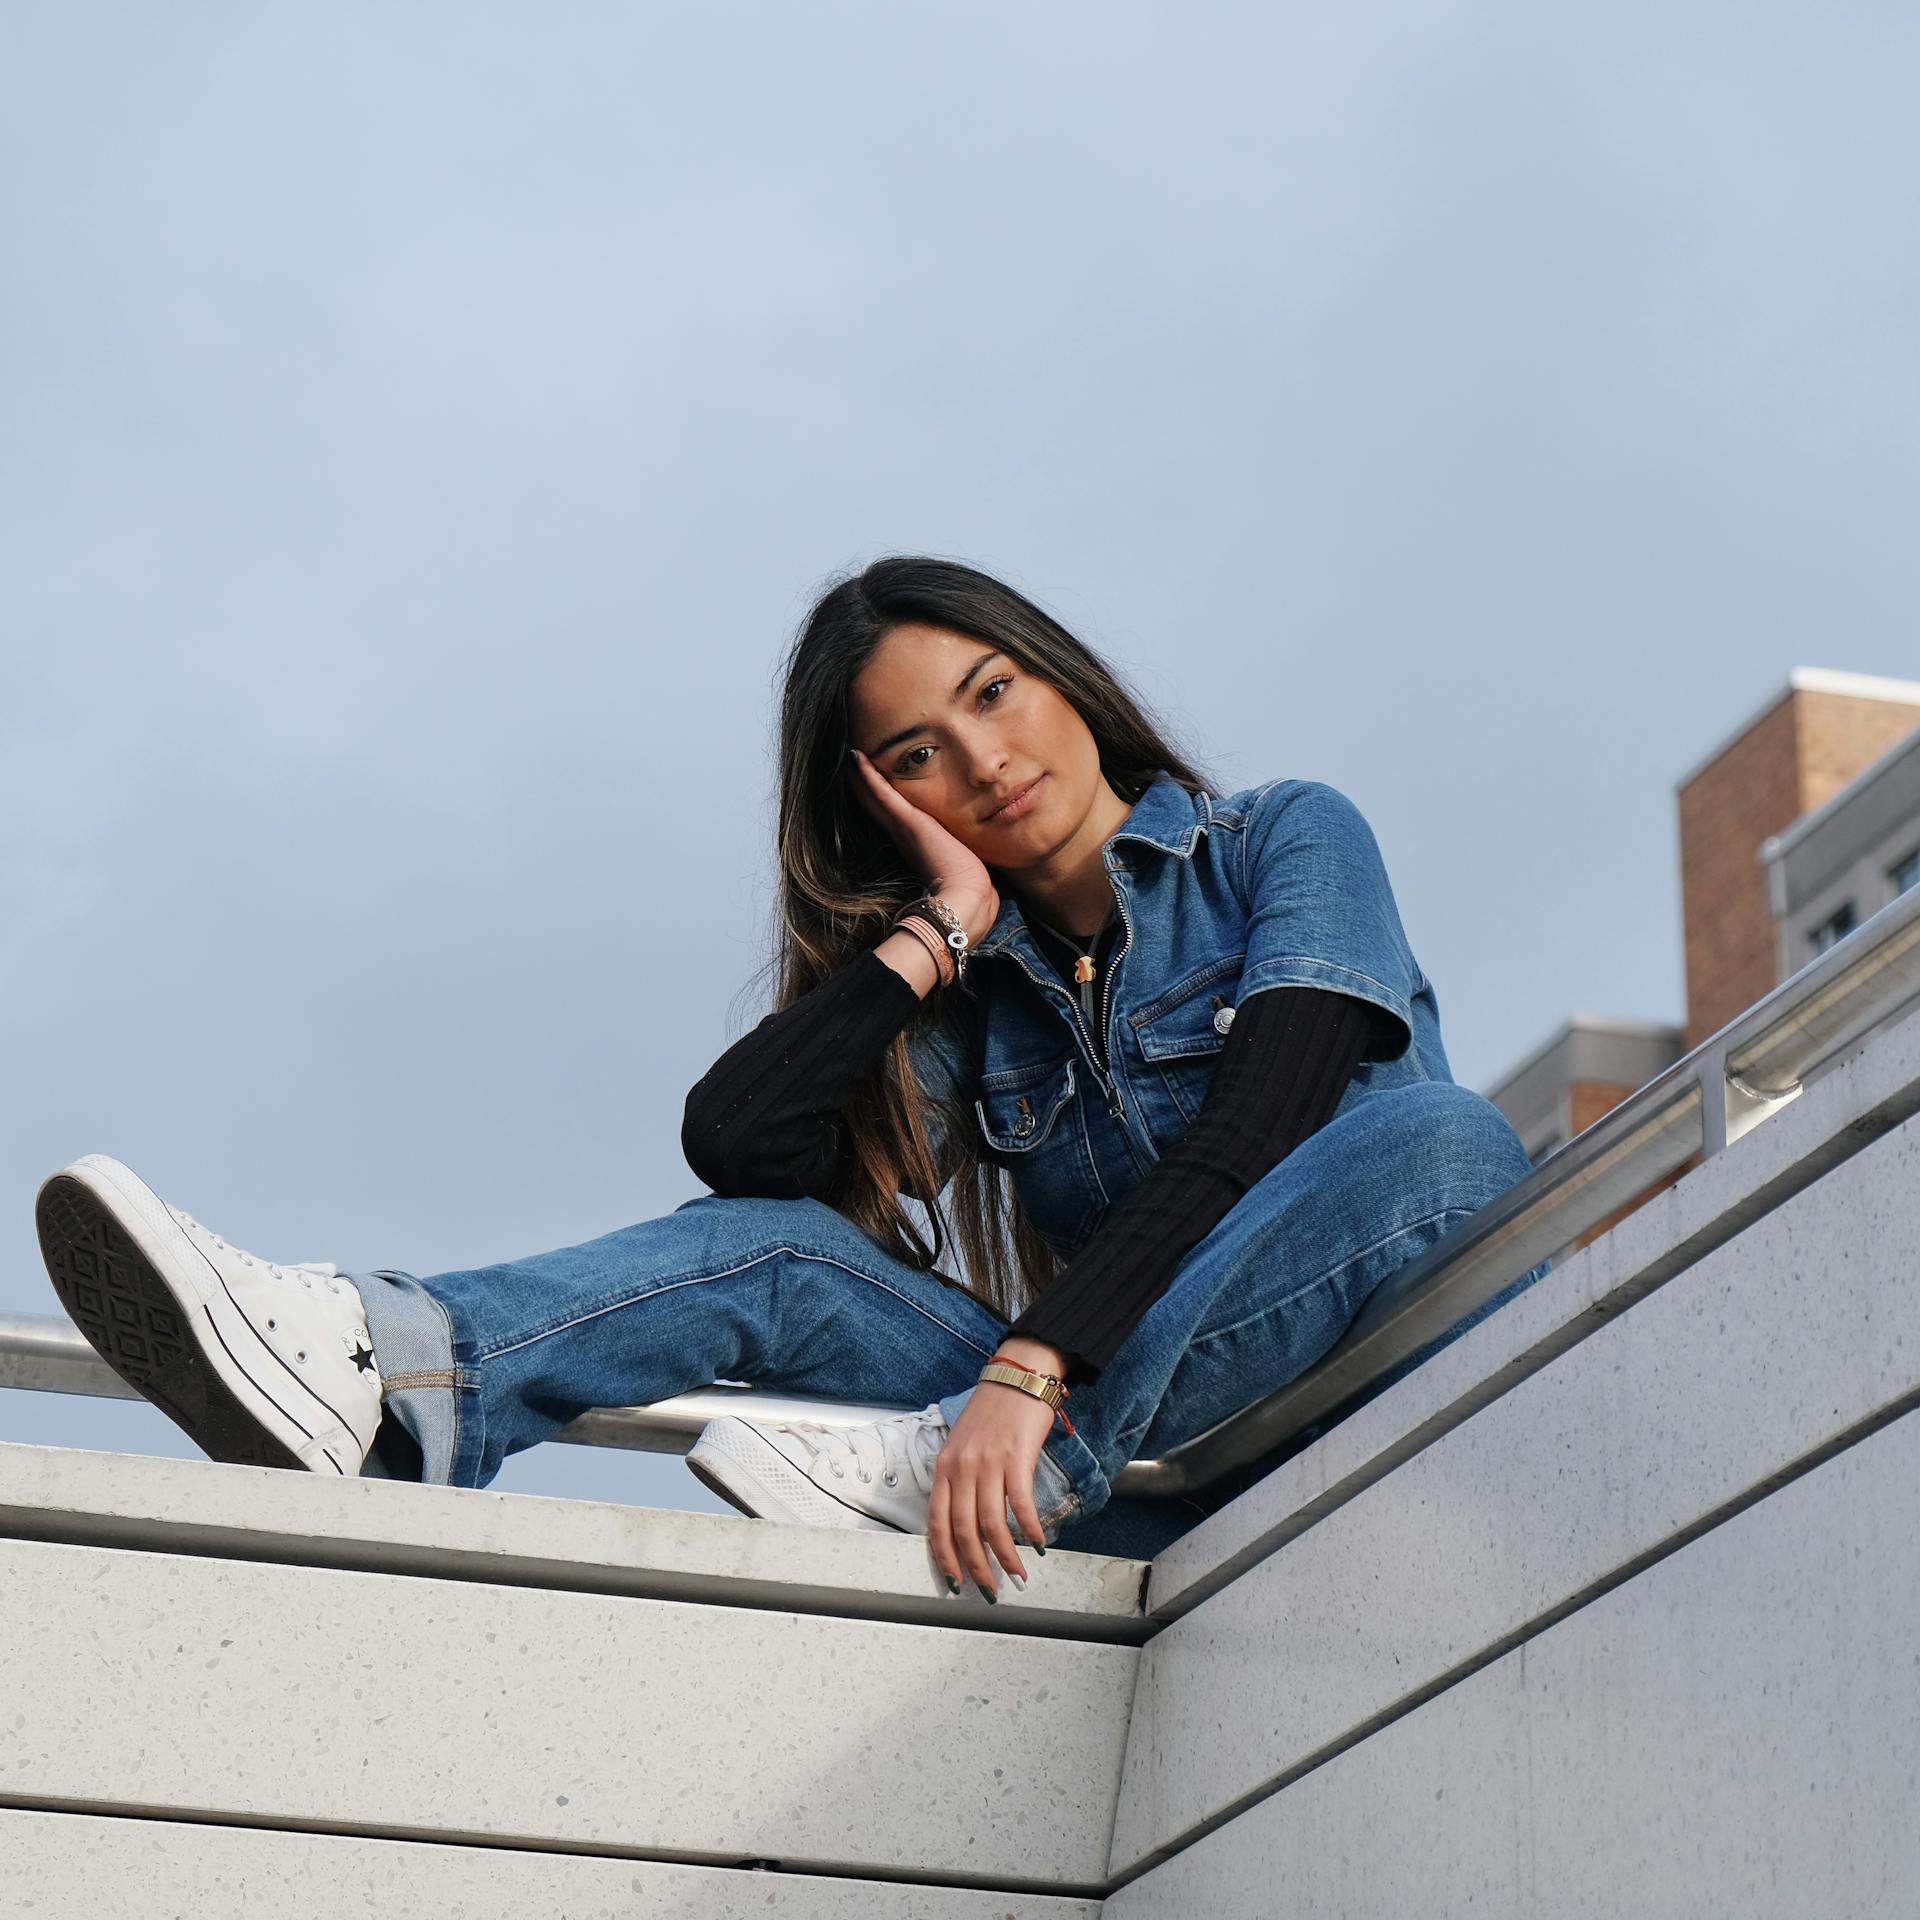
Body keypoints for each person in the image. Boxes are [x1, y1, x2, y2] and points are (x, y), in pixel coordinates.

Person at [34, 555, 1548, 1602]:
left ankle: (1031, 1451)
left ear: (1067, 682)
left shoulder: (1285, 838)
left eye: (996, 691)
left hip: (1301, 1395)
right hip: (1094, 1463)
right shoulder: (986, 991)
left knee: (1443, 1138)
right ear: (894, 809)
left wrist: (1029, 1382)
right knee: (785, 1253)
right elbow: (742, 1149)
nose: (986, 756)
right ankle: (393, 1374)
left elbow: (1262, 1123)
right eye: (920, 753)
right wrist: (932, 940)